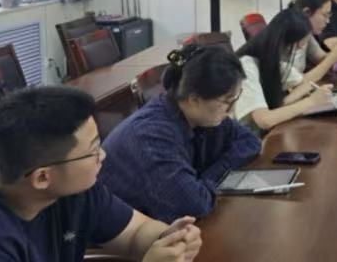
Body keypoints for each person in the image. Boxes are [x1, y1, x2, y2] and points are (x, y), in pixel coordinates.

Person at [0, 86, 203, 262]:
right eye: (93, 151)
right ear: (42, 177)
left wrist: (170, 239)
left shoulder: (74, 189)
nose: (103, 156)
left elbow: (136, 232)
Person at [99, 44, 262, 223]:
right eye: (228, 101)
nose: (231, 110)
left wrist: (209, 176)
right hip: (126, 234)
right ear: (194, 99)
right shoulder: (152, 136)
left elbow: (250, 141)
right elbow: (194, 205)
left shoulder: (202, 115)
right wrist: (208, 180)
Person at [232, 6, 335, 132]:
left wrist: (308, 91)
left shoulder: (272, 58)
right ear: (284, 44)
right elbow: (264, 120)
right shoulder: (246, 65)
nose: (296, 53)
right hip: (245, 136)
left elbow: (301, 84)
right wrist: (311, 101)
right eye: (298, 47)